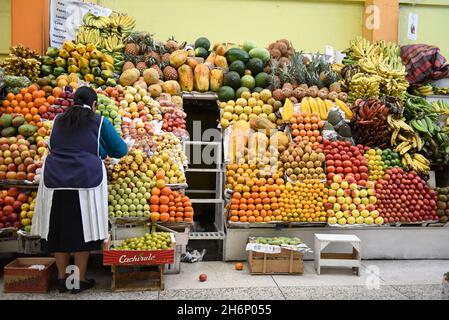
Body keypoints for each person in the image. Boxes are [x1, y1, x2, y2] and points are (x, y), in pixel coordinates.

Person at [32, 86, 128, 294]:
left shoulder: (58, 120)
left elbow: (53, 147)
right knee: (81, 231)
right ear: (94, 105)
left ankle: (61, 278)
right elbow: (121, 149)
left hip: (55, 181)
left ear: (73, 101)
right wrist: (100, 151)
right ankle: (78, 280)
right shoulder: (99, 121)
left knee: (58, 230)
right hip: (85, 182)